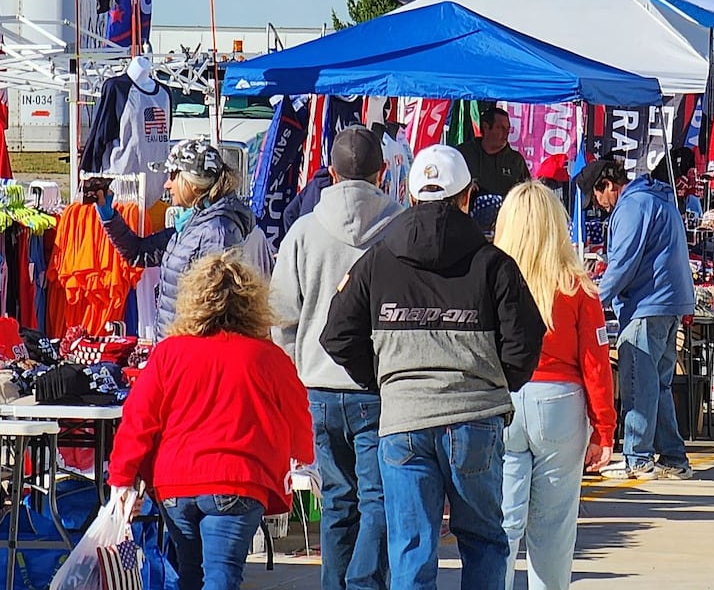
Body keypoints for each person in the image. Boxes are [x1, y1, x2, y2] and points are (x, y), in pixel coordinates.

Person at [320, 144, 545, 590]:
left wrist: (387, 380)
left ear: (411, 194)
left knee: (411, 549)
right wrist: (496, 382)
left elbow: (337, 335)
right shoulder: (492, 263)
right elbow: (526, 340)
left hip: (403, 422)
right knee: (483, 541)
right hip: (475, 422)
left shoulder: (378, 260)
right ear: (468, 196)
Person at [108, 252, 313, 590]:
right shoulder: (268, 357)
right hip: (238, 481)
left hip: (175, 484)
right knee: (222, 576)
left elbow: (138, 419)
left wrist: (122, 478)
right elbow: (297, 413)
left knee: (191, 575)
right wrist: (303, 456)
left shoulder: (169, 353)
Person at [272, 126, 401, 590]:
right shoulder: (401, 227)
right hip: (380, 386)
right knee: (378, 499)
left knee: (339, 502)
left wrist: (297, 367)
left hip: (319, 388)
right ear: (382, 172)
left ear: (330, 173)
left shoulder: (304, 231)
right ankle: (365, 583)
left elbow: (281, 315)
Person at [493, 182, 616, 590]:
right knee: (555, 527)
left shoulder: (489, 280)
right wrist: (604, 429)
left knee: (503, 522)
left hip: (504, 398)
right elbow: (596, 364)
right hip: (560, 403)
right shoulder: (577, 287)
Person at [574, 153, 696, 481]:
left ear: (608, 185)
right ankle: (673, 457)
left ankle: (637, 458)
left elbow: (623, 264)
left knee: (637, 385)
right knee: (658, 385)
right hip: (671, 303)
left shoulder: (632, 206)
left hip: (647, 305)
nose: (598, 205)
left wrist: (592, 302)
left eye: (596, 197)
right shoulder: (656, 198)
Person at [98, 139, 268, 333]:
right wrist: (108, 215)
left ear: (194, 184)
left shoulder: (217, 231)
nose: (167, 184)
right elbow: (139, 252)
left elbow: (217, 311)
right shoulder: (194, 223)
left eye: (173, 176)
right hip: (175, 344)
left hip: (189, 351)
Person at [457, 106, 531, 198]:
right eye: (500, 127)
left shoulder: (515, 161)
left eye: (508, 128)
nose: (506, 132)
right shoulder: (464, 154)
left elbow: (527, 194)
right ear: (486, 127)